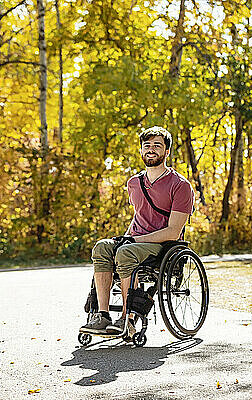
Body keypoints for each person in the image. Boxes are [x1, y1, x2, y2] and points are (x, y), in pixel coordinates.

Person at [79, 126, 195, 337]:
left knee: (126, 252)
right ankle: (102, 316)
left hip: (162, 245)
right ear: (141, 150)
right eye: (147, 145)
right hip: (134, 240)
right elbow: (141, 215)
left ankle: (127, 318)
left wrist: (136, 240)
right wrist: (129, 238)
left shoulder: (180, 186)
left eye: (157, 146)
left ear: (167, 151)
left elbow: (173, 231)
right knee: (102, 247)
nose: (151, 150)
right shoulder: (134, 183)